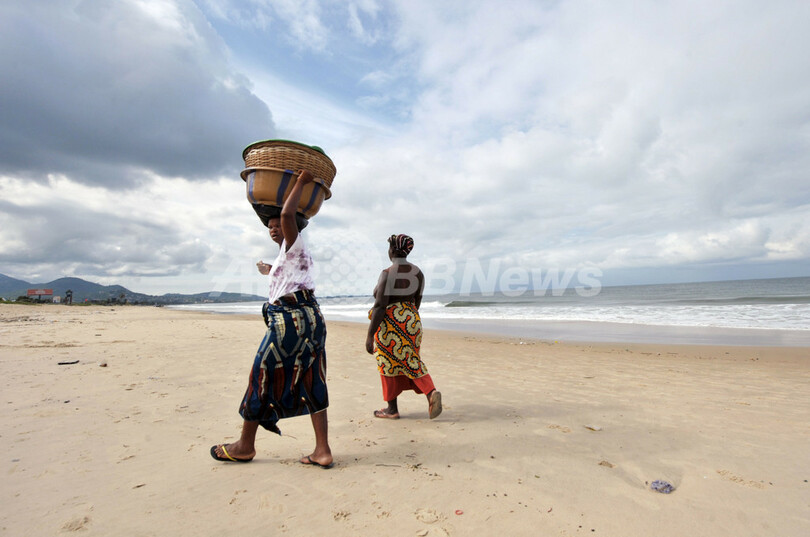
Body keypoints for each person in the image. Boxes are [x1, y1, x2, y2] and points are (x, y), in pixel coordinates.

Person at [211, 170, 333, 468]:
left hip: (290, 321)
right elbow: (290, 280)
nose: (274, 229)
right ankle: (322, 450)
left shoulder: (296, 243)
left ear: (293, 227)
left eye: (278, 225)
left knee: (262, 375)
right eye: (270, 227)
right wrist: (269, 269)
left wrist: (300, 182)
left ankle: (245, 445)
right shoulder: (288, 256)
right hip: (311, 318)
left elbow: (289, 214)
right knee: (312, 377)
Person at [365, 234, 442, 420]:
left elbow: (380, 306)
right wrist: (408, 320)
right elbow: (417, 301)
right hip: (412, 321)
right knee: (411, 359)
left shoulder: (388, 273)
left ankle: (392, 409)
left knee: (387, 363)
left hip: (391, 323)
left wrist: (369, 335)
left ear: (392, 250)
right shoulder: (418, 273)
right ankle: (430, 393)